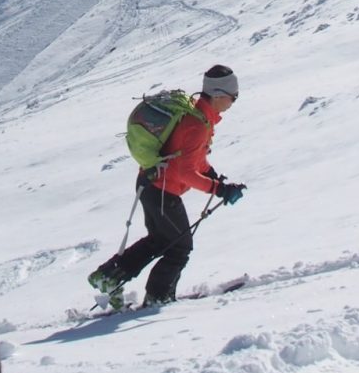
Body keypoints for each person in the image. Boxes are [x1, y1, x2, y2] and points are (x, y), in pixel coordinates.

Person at [88, 64, 246, 309]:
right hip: (163, 191)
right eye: (232, 96)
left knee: (161, 240)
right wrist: (218, 189)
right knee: (180, 247)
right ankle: (157, 297)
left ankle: (108, 277)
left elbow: (190, 159)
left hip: (152, 185)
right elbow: (185, 172)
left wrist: (215, 177)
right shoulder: (197, 125)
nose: (233, 102)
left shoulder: (199, 117)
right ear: (219, 95)